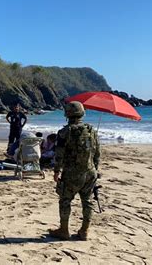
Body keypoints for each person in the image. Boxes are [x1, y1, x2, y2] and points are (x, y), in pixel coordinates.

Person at [49, 101, 100, 241]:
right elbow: (97, 153)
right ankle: (84, 231)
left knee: (65, 200)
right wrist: (96, 169)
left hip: (72, 173)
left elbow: (59, 154)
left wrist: (56, 171)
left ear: (68, 114)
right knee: (88, 201)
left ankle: (64, 230)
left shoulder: (64, 132)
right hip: (90, 171)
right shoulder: (91, 130)